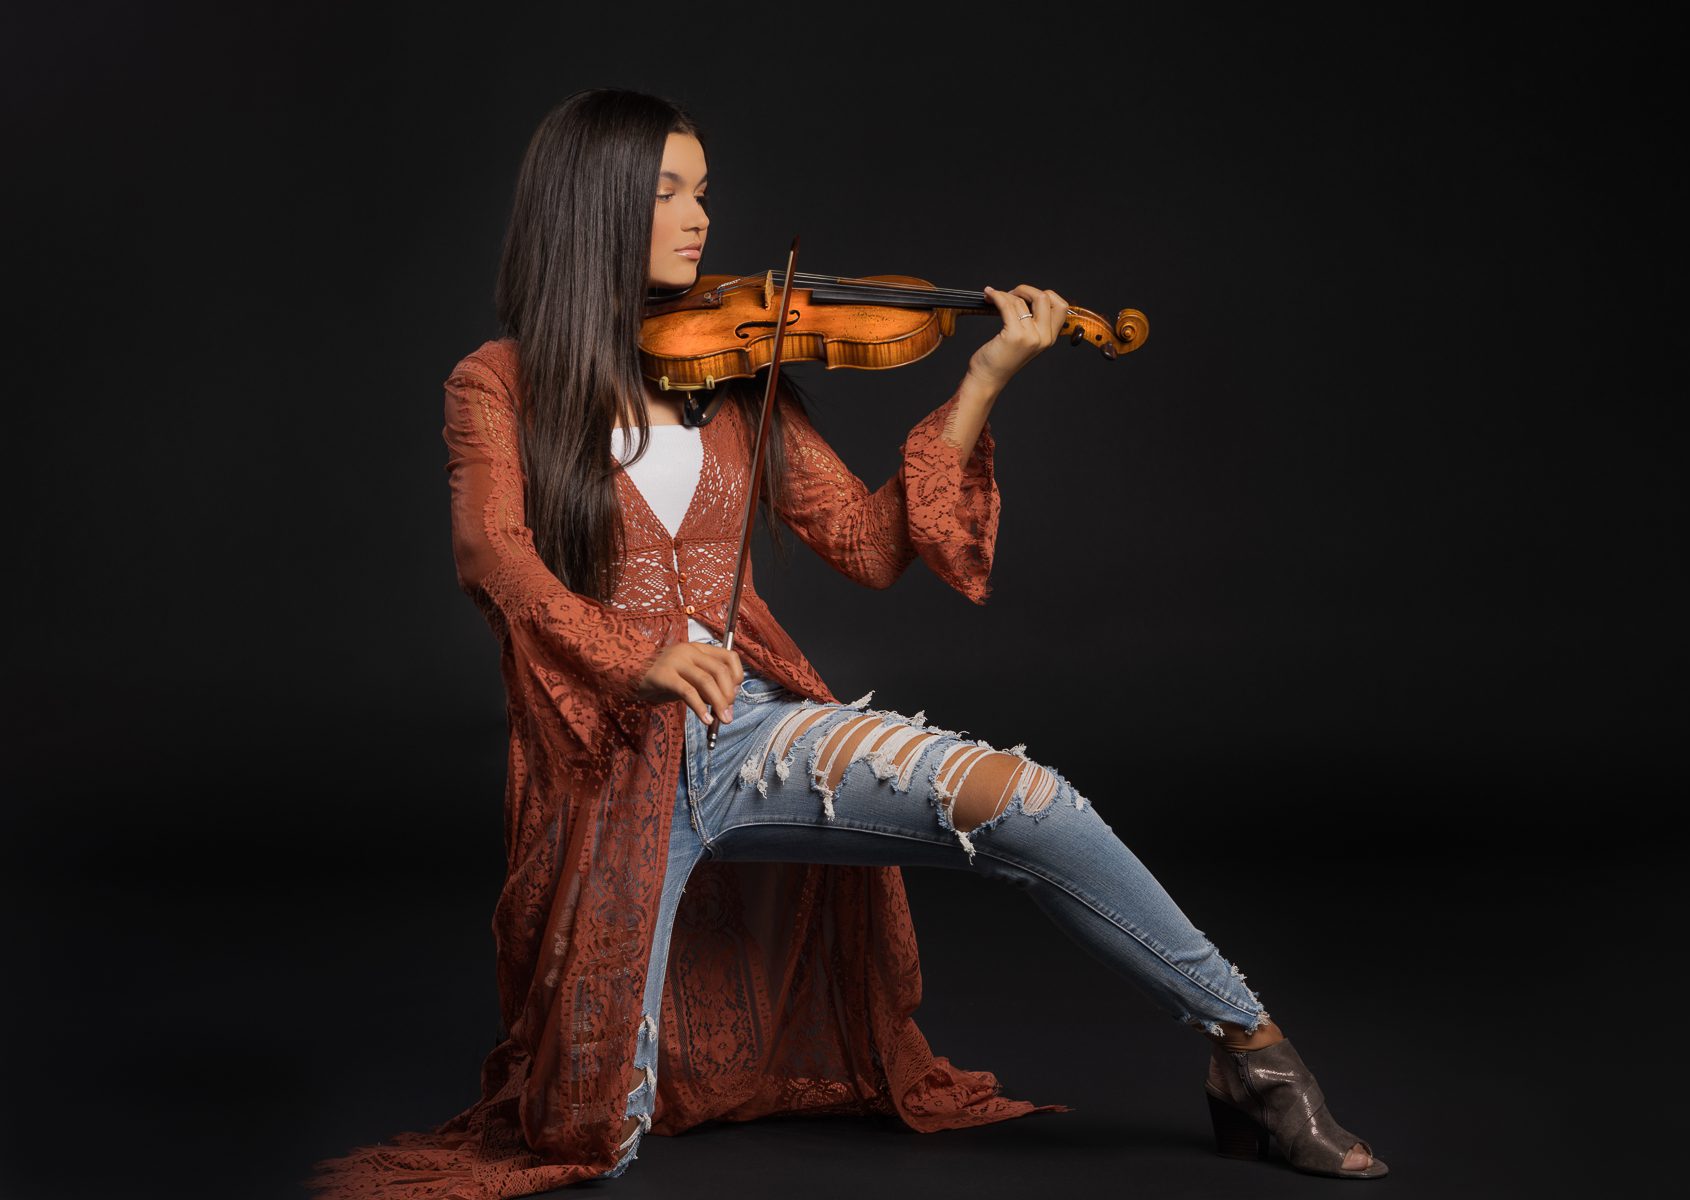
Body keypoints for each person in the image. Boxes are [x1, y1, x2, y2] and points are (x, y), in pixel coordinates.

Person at [306, 87, 1386, 1199]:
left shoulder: (735, 374)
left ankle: (1251, 1052)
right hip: (607, 767)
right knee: (598, 1136)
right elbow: (494, 557)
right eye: (668, 190)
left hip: (747, 734)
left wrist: (981, 381)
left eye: (705, 192)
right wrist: (636, 653)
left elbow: (868, 544)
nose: (699, 218)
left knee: (1025, 799)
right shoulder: (498, 384)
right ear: (596, 204)